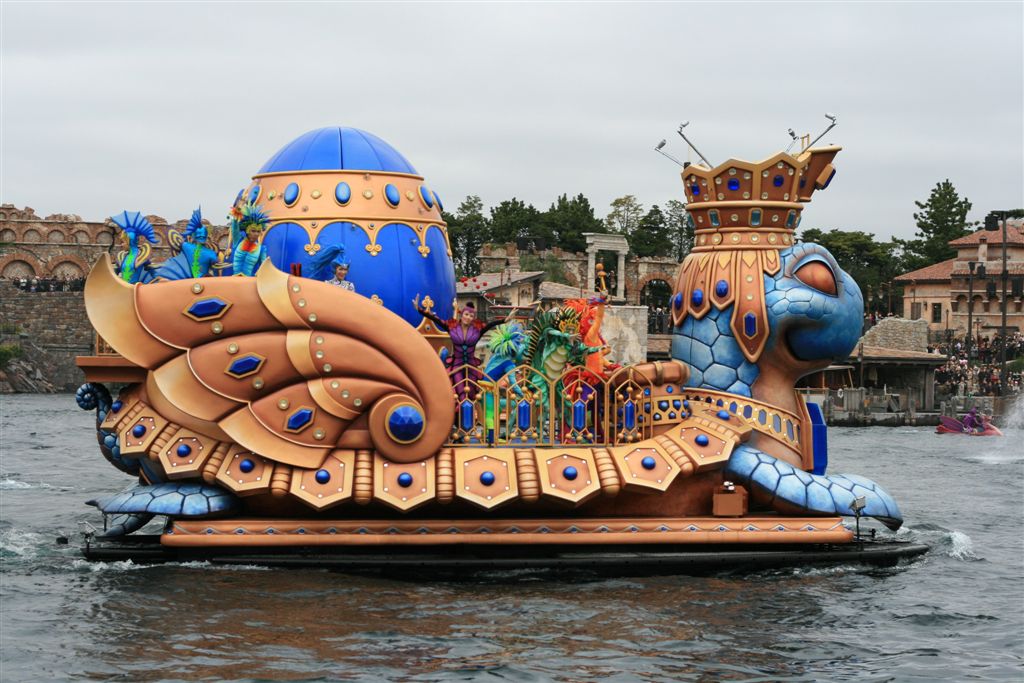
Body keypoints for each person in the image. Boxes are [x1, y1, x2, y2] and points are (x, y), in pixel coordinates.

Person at [414, 297, 507, 400]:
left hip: (471, 367)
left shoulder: (477, 329)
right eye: (466, 314)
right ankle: (461, 410)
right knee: (461, 393)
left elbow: (491, 325)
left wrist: (504, 320)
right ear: (461, 315)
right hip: (457, 366)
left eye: (471, 316)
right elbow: (435, 319)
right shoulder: (452, 326)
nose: (468, 317)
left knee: (471, 394)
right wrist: (419, 309)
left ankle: (469, 410)